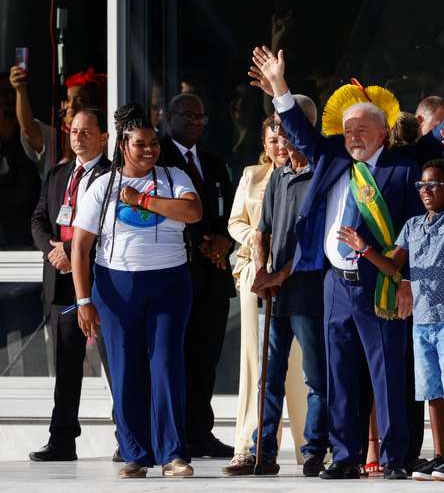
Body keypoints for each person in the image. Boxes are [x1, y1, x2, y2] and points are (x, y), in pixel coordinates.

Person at [251, 45, 423, 480]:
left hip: (380, 282)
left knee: (387, 376)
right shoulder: (332, 159)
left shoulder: (402, 172)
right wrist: (280, 89)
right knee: (338, 375)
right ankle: (344, 457)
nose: (353, 136)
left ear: (383, 132)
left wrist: (406, 281)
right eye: (347, 130)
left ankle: (394, 458)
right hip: (334, 284)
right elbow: (298, 130)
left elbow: (415, 234)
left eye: (362, 129)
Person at [337, 125, 444, 481]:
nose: (426, 191)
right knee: (431, 391)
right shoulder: (412, 225)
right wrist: (364, 249)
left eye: (434, 185)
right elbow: (393, 266)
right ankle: (437, 456)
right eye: (422, 185)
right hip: (421, 319)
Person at [70, 103, 202, 478]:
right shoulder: (101, 186)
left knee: (166, 364)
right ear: (123, 146)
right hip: (116, 287)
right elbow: (80, 248)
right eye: (141, 144)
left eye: (154, 144)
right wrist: (84, 301)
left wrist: (142, 199)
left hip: (169, 283)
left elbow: (192, 213)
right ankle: (135, 453)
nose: (149, 151)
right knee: (126, 370)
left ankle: (174, 453)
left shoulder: (175, 176)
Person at [245, 95, 330, 478]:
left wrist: (279, 276)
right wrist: (263, 270)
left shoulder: (322, 171)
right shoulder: (279, 174)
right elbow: (262, 230)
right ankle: (262, 450)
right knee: (270, 374)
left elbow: (317, 241)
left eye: (286, 126)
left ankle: (313, 450)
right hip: (276, 292)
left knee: (316, 376)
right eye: (277, 128)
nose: (280, 135)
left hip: (308, 290)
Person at [27, 108, 113, 462]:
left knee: (115, 363)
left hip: (101, 284)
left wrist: (69, 249)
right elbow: (38, 219)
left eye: (86, 131)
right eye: (74, 131)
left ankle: (130, 438)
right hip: (61, 285)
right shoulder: (59, 173)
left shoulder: (113, 176)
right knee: (65, 366)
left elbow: (108, 228)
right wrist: (53, 249)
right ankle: (62, 439)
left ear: (103, 137)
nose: (77, 136)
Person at [157, 92, 236, 458]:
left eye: (200, 117)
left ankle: (200, 433)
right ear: (167, 117)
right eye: (186, 115)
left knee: (206, 358)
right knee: (174, 357)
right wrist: (201, 241)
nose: (194, 122)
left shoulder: (213, 162)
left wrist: (223, 241)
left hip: (214, 277)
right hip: (176, 273)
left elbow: (229, 214)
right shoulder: (156, 159)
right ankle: (170, 436)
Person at [222, 116, 284, 475]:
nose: (278, 146)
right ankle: (247, 443)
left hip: (292, 272)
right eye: (272, 140)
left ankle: (311, 442)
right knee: (254, 358)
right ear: (264, 144)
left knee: (296, 360)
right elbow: (235, 221)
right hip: (253, 272)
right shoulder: (252, 175)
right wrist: (257, 240)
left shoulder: (304, 173)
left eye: (283, 139)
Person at [9, 66, 106, 176]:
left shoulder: (103, 142)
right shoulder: (55, 138)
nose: (71, 105)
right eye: (67, 99)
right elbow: (28, 129)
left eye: (81, 100)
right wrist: (20, 90)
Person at [0, 78, 39, 250]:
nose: (7, 100)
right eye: (3, 94)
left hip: (25, 247)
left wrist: (20, 90)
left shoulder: (28, 144)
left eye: (11, 94)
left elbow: (29, 129)